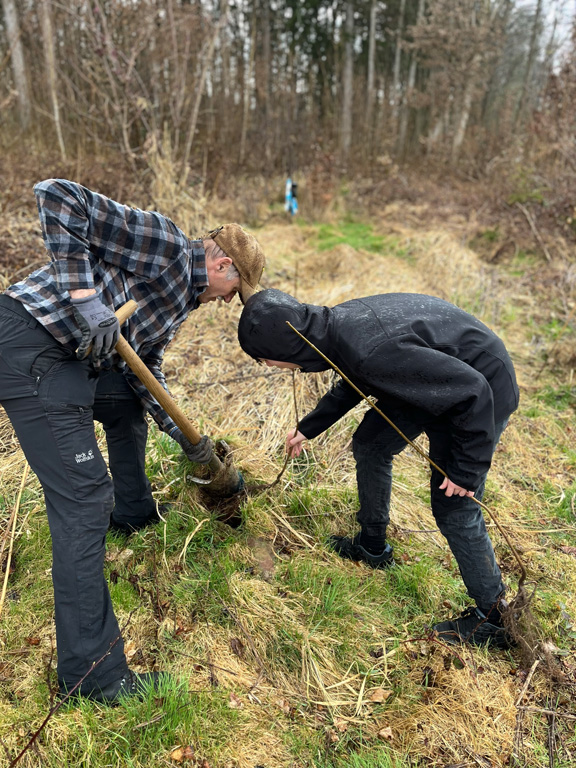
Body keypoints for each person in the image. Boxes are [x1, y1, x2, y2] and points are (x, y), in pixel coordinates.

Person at [0, 178, 265, 703]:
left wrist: (188, 439)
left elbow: (144, 369)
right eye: (233, 292)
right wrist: (86, 299)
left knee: (124, 403)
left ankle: (134, 513)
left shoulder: (179, 301)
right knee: (84, 499)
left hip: (67, 360)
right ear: (222, 266)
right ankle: (92, 676)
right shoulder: (166, 247)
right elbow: (57, 196)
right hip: (34, 344)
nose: (225, 302)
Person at [238, 289, 519, 649]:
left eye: (264, 360)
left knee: (455, 507)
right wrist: (310, 427)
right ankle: (372, 546)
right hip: (436, 378)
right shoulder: (335, 329)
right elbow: (355, 378)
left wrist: (466, 470)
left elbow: (473, 390)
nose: (269, 367)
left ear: (284, 349)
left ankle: (493, 617)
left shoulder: (368, 349)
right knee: (371, 444)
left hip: (478, 395)